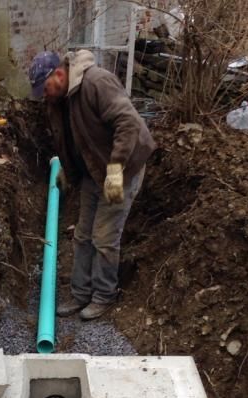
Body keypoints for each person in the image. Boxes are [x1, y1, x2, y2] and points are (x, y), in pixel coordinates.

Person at [29, 50, 156, 320]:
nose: (44, 95)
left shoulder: (96, 83)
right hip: (93, 171)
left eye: (45, 88)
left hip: (119, 170)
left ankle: (103, 296)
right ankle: (80, 294)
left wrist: (115, 169)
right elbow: (72, 138)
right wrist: (66, 166)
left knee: (104, 237)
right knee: (83, 235)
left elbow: (128, 123)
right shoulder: (58, 100)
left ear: (59, 74)